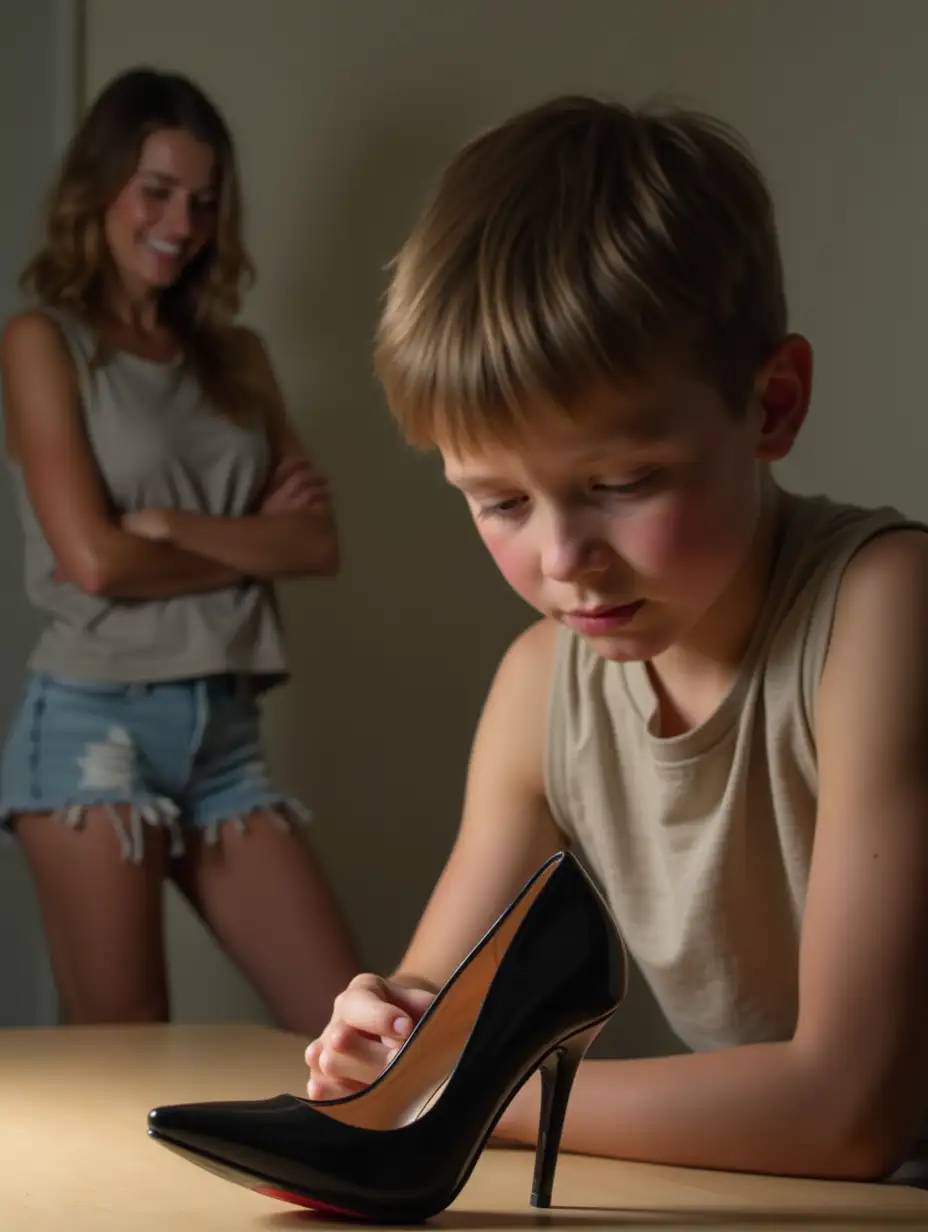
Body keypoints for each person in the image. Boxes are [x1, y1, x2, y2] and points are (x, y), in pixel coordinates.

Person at [304, 95, 928, 1182]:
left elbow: (847, 1111)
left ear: (772, 404)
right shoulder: (539, 686)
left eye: (621, 483)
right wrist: (384, 1031)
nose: (562, 558)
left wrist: (456, 1092)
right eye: (496, 501)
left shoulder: (884, 610)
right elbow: (429, 1022)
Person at [0, 67, 360, 1033]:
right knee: (121, 1055)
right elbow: (96, 564)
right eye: (155, 191)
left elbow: (318, 542)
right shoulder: (47, 345)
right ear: (102, 189)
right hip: (92, 730)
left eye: (202, 202)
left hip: (225, 733)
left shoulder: (238, 358)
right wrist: (252, 546)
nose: (181, 222)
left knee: (354, 1030)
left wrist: (167, 528)